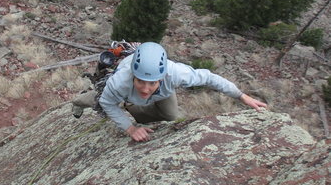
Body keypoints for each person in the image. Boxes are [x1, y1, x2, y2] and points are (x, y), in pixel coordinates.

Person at [72, 42, 268, 142]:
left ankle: (132, 106)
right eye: (141, 81)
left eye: (152, 83)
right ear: (134, 75)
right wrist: (130, 128)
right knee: (96, 100)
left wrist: (242, 96)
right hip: (124, 93)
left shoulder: (175, 73)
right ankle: (77, 102)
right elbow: (107, 103)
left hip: (162, 93)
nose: (146, 89)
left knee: (172, 116)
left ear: (162, 77)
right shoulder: (120, 82)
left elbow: (210, 78)